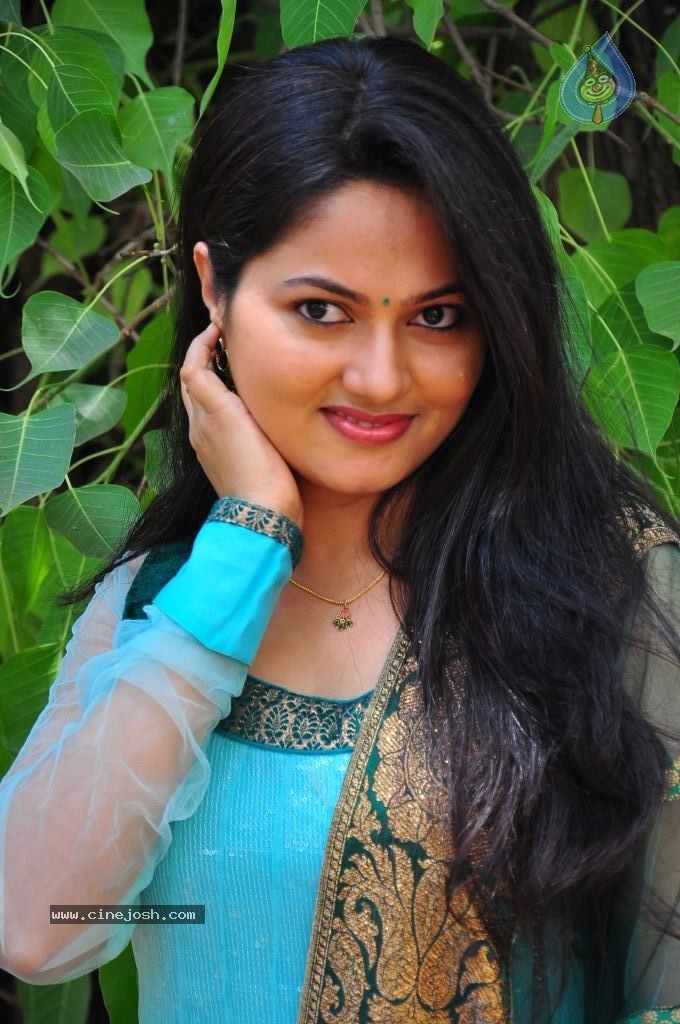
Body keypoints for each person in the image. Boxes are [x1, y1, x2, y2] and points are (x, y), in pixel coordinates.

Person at [0, 33, 679, 1024]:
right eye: (321, 310)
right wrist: (244, 545)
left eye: (438, 317)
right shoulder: (159, 603)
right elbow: (38, 926)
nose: (380, 377)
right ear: (215, 291)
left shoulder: (606, 589)